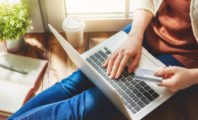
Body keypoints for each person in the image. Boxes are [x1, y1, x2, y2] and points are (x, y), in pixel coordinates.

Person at [8, 0, 198, 120]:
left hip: (184, 61)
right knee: (74, 82)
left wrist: (191, 77)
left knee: (86, 105)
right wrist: (135, 36)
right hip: (145, 32)